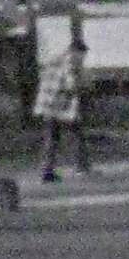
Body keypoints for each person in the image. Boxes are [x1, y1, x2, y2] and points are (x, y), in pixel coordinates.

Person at [35, 33, 92, 184]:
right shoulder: (71, 63)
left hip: (47, 105)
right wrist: (84, 85)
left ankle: (46, 172)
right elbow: (71, 85)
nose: (83, 59)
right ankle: (82, 167)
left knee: (51, 139)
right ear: (76, 52)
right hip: (62, 107)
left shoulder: (53, 60)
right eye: (82, 56)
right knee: (77, 135)